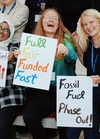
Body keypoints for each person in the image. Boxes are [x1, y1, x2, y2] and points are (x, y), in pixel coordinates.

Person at [22, 8, 80, 139]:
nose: (51, 20)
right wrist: (22, 57)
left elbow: (73, 57)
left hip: (65, 90)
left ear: (59, 23)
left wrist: (66, 52)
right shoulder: (34, 41)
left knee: (63, 123)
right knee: (29, 118)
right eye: (47, 17)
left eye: (55, 18)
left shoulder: (65, 39)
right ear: (41, 22)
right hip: (44, 91)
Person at [66, 9, 100, 139]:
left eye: (91, 22)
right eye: (85, 24)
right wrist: (77, 45)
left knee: (81, 99)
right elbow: (88, 65)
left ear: (99, 22)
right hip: (93, 95)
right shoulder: (89, 43)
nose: (89, 27)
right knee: (89, 109)